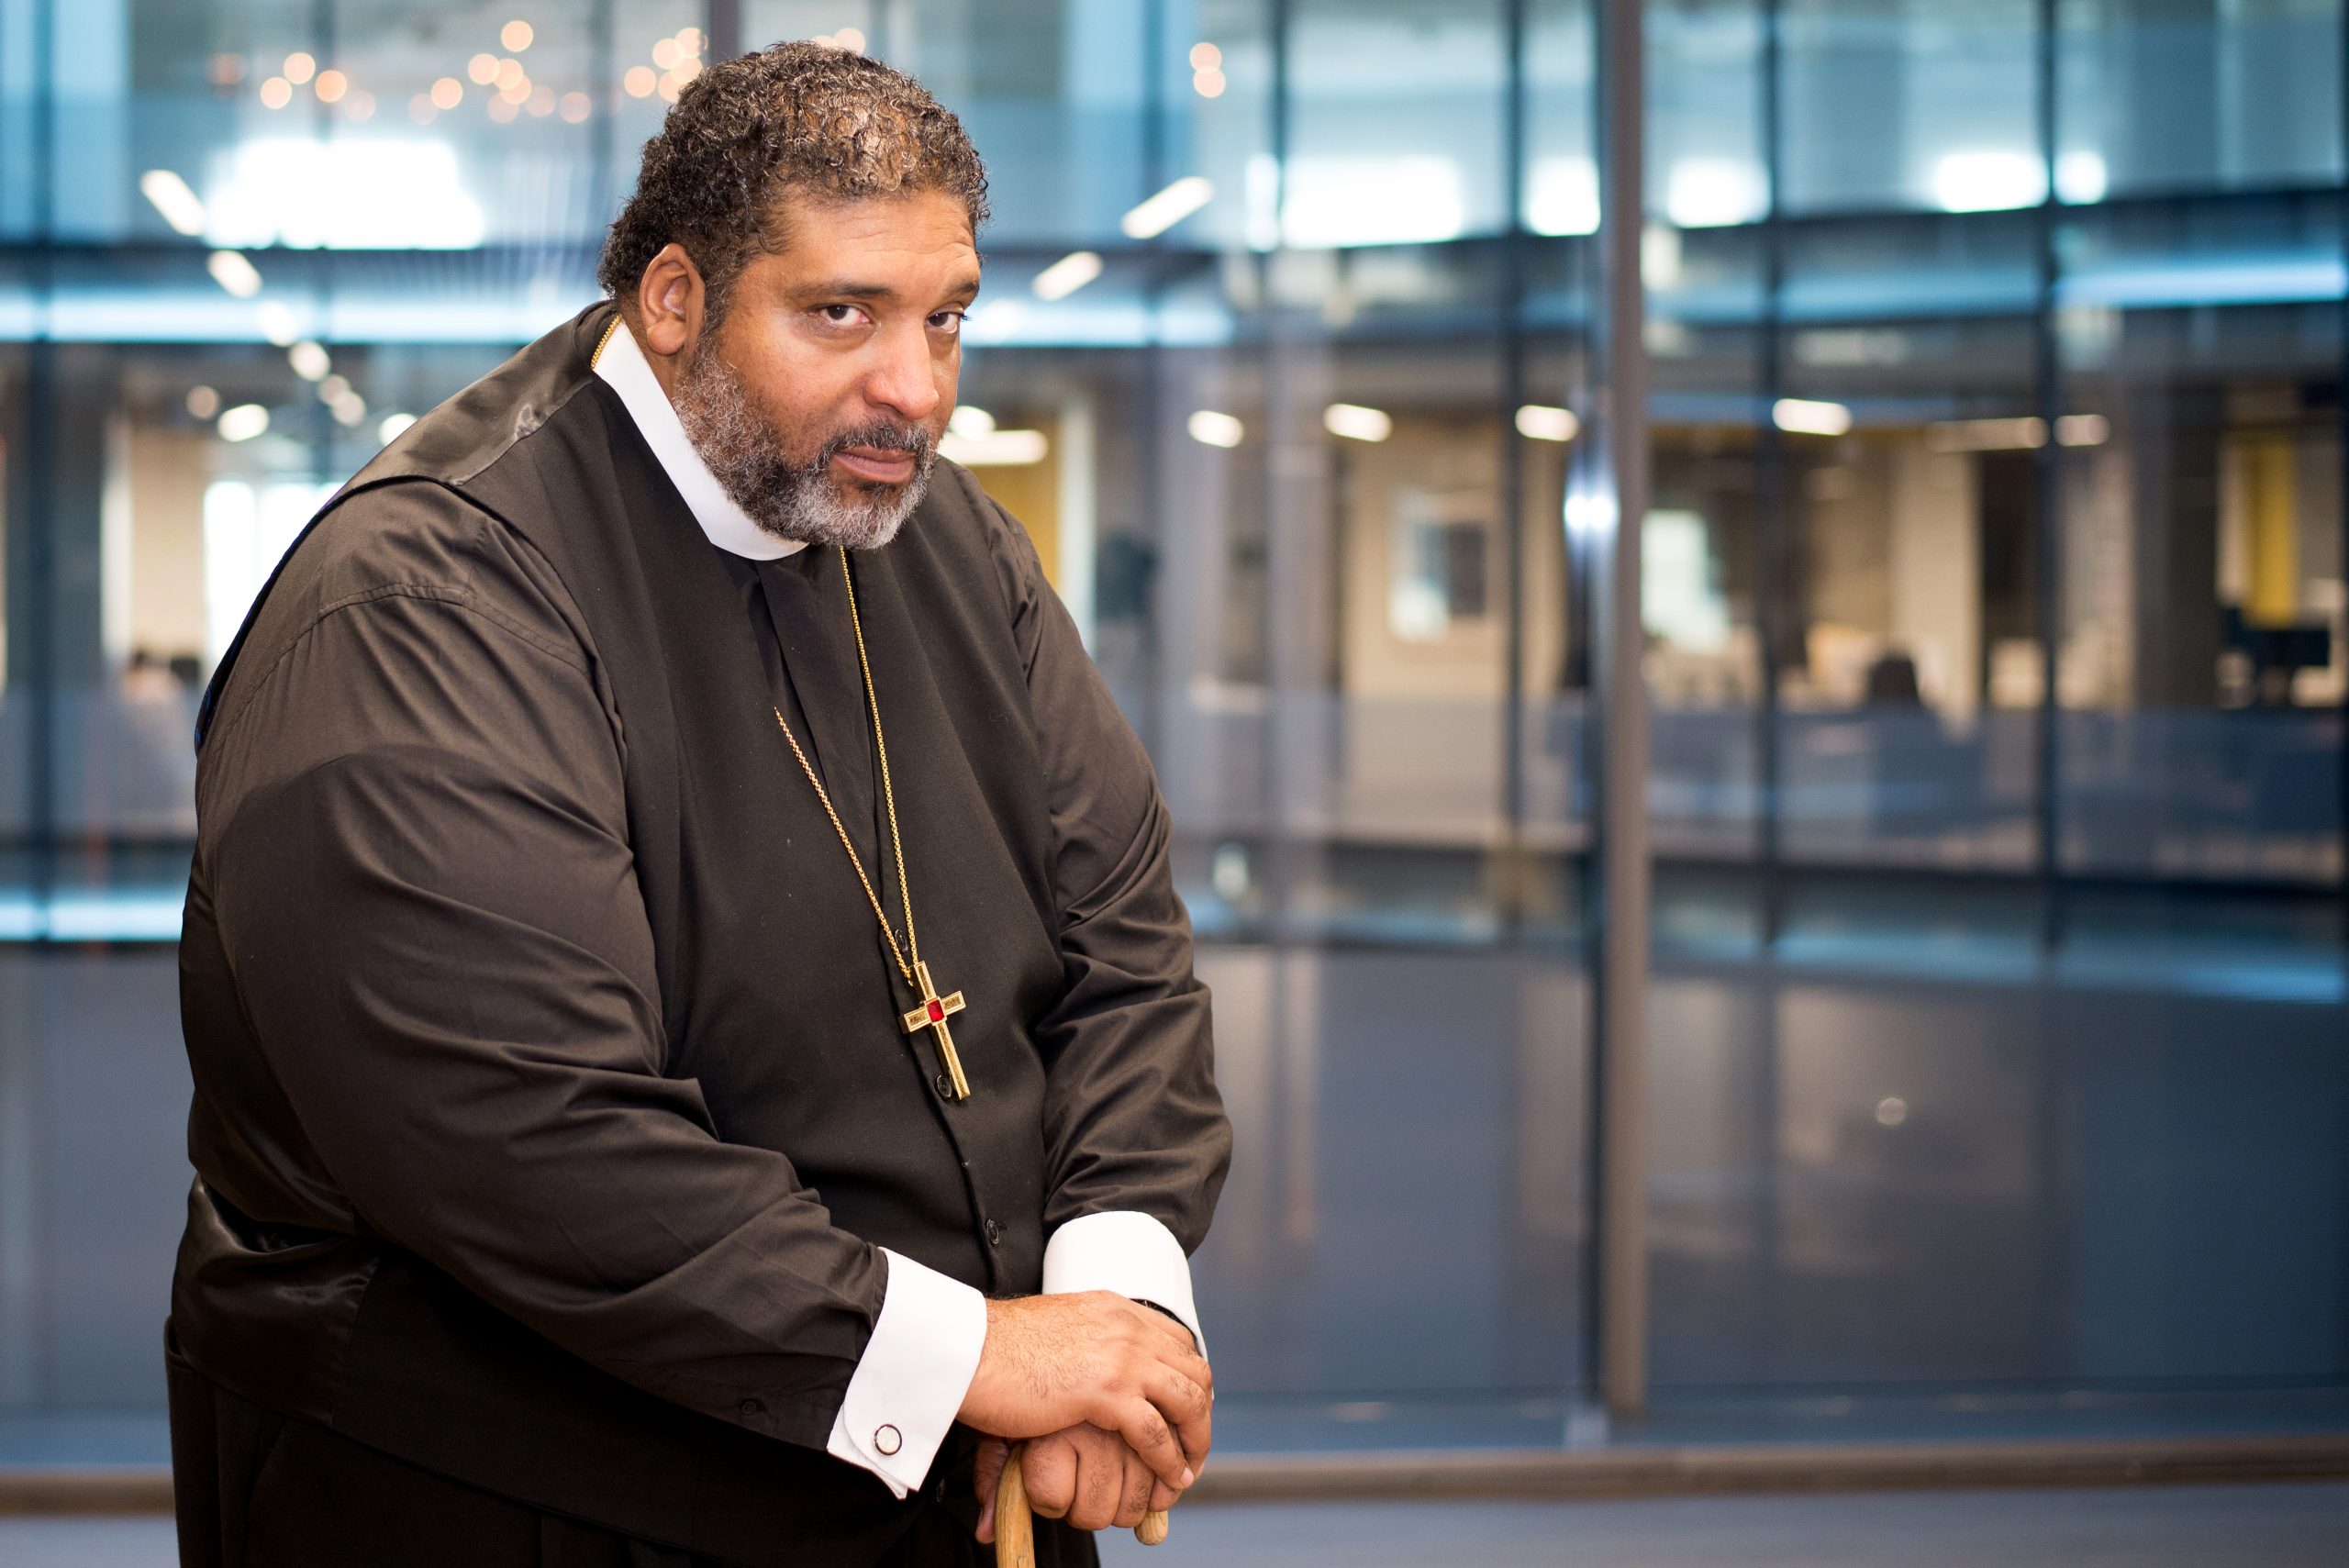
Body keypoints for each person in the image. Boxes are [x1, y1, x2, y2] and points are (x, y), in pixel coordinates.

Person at [166, 41, 1230, 1568]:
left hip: (956, 1473)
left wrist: (1112, 1306)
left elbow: (1124, 945)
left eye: (945, 319)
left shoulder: (941, 538)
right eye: (840, 314)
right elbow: (522, 1125)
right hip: (510, 1501)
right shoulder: (422, 596)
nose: (915, 389)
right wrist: (982, 1359)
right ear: (674, 300)